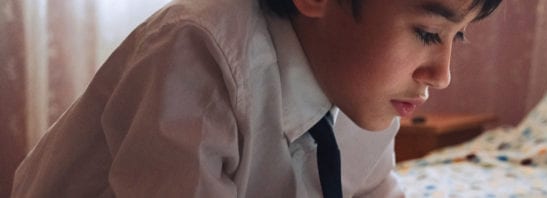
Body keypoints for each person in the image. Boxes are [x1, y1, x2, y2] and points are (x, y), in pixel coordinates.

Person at [12, 0, 501, 197]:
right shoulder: (200, 53)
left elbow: (373, 190)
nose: (442, 76)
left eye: (457, 37)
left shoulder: (364, 91)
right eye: (427, 32)